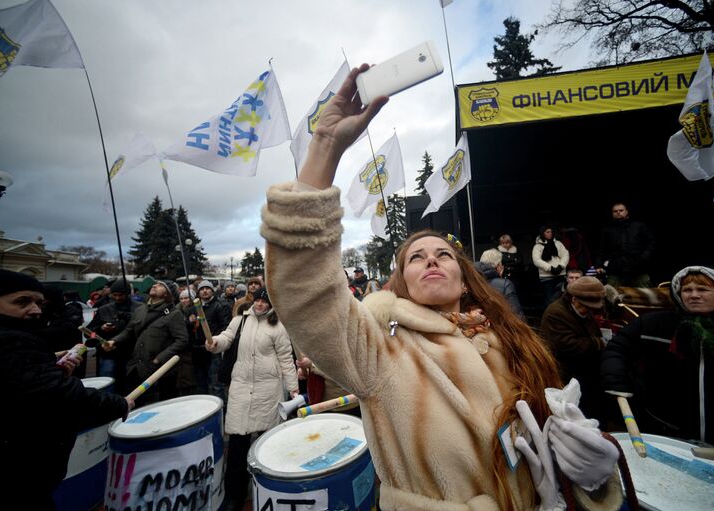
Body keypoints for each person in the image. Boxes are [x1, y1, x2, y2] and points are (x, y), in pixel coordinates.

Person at [259, 65, 622, 511]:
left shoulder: (515, 340)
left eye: (443, 254)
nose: (431, 258)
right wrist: (325, 147)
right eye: (416, 257)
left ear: (465, 275)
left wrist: (587, 474)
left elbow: (548, 450)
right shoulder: (380, 354)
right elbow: (304, 290)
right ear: (402, 283)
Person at [0, 270, 133, 510]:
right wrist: (119, 404)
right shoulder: (12, 340)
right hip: (17, 475)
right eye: (21, 301)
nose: (36, 310)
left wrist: (50, 370)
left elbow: (23, 386)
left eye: (39, 302)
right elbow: (62, 399)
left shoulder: (20, 338)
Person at [601, 265, 714, 453]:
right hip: (667, 436)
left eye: (703, 289)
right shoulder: (655, 325)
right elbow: (618, 348)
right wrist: (615, 379)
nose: (693, 295)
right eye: (687, 290)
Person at [205, 288, 298, 511]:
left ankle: (268, 487)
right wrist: (215, 343)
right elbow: (226, 338)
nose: (260, 305)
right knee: (237, 443)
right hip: (241, 387)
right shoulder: (240, 320)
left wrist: (293, 389)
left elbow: (286, 358)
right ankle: (234, 495)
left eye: (265, 302)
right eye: (257, 300)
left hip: (268, 390)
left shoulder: (278, 326)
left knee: (268, 442)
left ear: (272, 304)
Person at [540, 276, 613, 427]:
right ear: (574, 299)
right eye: (586, 306)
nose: (589, 311)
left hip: (587, 372)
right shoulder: (555, 313)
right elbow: (566, 346)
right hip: (568, 376)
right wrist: (599, 342)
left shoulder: (583, 311)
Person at [104, 280, 188, 403]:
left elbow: (182, 340)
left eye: (160, 285)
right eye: (154, 284)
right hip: (137, 366)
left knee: (160, 404)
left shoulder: (174, 314)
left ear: (167, 294)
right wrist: (113, 341)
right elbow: (129, 331)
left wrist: (160, 358)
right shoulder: (140, 310)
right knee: (137, 403)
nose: (154, 285)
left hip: (160, 370)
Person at [87, 278, 143, 394]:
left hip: (131, 353)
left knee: (131, 384)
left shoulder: (140, 308)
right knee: (108, 383)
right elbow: (89, 331)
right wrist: (101, 328)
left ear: (128, 294)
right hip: (109, 354)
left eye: (121, 295)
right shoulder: (104, 309)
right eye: (115, 295)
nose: (118, 298)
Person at [594, 202, 655, 288]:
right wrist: (598, 265)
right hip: (616, 271)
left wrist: (643, 258)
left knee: (647, 296)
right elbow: (601, 249)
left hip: (638, 270)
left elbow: (650, 244)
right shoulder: (607, 230)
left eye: (621, 210)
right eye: (615, 211)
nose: (618, 212)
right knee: (611, 296)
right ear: (612, 213)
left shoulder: (639, 226)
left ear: (627, 211)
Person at [477, 248, 524, 318]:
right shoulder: (505, 284)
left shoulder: (471, 281)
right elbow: (517, 315)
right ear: (498, 266)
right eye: (502, 263)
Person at [532, 225, 570, 309]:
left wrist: (561, 266)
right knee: (550, 300)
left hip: (560, 274)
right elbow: (536, 260)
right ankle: (549, 318)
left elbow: (565, 255)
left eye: (551, 232)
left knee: (562, 298)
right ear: (543, 233)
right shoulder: (538, 246)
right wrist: (550, 268)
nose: (550, 234)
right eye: (547, 232)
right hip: (547, 277)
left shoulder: (558, 243)